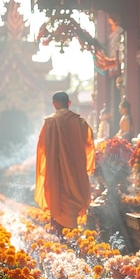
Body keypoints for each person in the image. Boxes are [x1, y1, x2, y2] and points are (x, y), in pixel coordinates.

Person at [34, 91, 95, 236]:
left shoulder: (49, 123)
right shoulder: (80, 122)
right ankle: (73, 239)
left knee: (57, 202)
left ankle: (61, 240)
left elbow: (41, 147)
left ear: (54, 104)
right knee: (73, 203)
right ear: (69, 103)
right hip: (75, 173)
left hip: (56, 174)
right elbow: (89, 144)